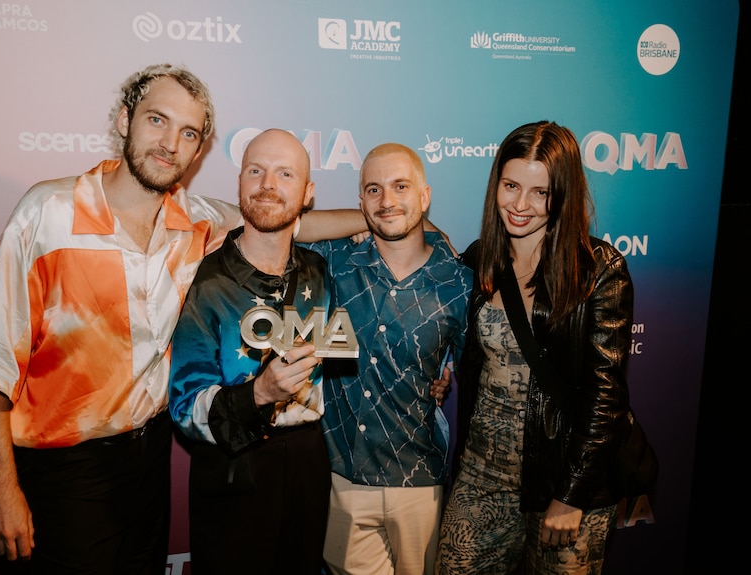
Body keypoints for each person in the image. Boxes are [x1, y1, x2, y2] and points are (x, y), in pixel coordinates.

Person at [0, 64, 366, 575]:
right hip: (65, 472)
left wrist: (385, 218)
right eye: (157, 120)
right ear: (125, 120)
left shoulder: (196, 219)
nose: (170, 143)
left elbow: (284, 218)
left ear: (198, 151)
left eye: (188, 133)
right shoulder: (48, 212)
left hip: (149, 464)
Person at [436, 120, 634, 574]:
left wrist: (572, 495)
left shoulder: (599, 271)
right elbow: (459, 345)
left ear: (561, 194)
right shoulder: (478, 258)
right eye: (510, 186)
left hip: (564, 484)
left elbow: (605, 397)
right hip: (481, 479)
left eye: (540, 192)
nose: (520, 205)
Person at [168, 128, 339, 575]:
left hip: (307, 466)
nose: (268, 184)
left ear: (307, 193)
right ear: (240, 182)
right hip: (232, 470)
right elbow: (184, 408)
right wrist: (259, 393)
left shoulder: (320, 271)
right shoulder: (204, 281)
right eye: (256, 171)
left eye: (285, 174)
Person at [302, 143, 473, 575]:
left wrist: (444, 371)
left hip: (420, 482)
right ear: (360, 201)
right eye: (373, 190)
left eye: (401, 187)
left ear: (425, 195)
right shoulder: (334, 261)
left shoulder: (460, 282)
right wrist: (365, 220)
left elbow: (474, 370)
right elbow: (284, 226)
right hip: (344, 478)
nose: (387, 200)